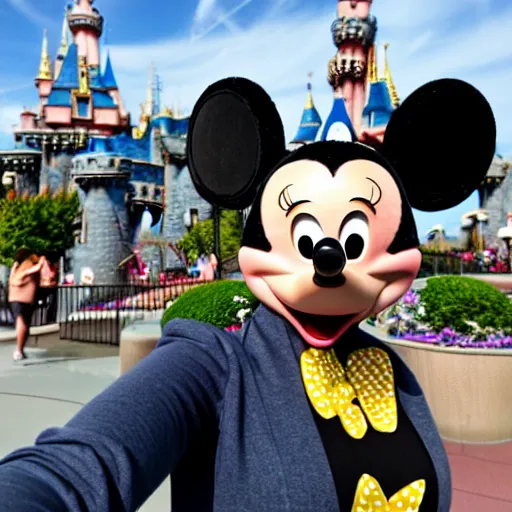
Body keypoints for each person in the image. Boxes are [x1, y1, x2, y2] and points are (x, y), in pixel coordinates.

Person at [0, 76, 496, 511]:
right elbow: (82, 467)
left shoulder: (393, 373)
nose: (327, 260)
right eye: (305, 238)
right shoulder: (211, 363)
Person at [8, 250, 48, 361]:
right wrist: (41, 262)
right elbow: (35, 271)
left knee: (24, 324)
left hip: (17, 298)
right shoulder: (27, 267)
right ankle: (19, 350)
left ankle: (20, 349)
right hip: (23, 299)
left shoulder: (17, 268)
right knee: (22, 323)